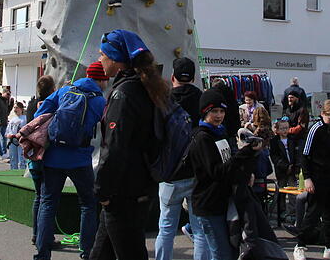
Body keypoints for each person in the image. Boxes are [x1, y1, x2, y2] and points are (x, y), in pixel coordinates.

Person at [91, 30, 168, 260]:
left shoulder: (124, 93)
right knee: (100, 253)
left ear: (115, 58)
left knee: (131, 252)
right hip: (142, 185)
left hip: (123, 191)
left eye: (102, 54)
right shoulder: (148, 88)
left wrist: (102, 190)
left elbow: (114, 147)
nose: (99, 60)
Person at [33, 61, 107, 260]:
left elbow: (38, 115)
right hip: (80, 157)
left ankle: (42, 253)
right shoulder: (99, 100)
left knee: (47, 203)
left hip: (54, 156)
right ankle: (87, 250)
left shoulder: (65, 91)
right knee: (88, 204)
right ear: (101, 80)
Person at [188, 87, 262, 259]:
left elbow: (229, 166)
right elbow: (218, 171)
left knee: (226, 252)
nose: (219, 115)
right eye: (214, 111)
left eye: (222, 111)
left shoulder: (219, 133)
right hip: (208, 204)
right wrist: (244, 153)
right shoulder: (202, 138)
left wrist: (247, 160)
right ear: (205, 112)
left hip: (222, 202)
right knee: (221, 254)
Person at [156, 56, 206, 260]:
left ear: (172, 76)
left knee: (166, 227)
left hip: (169, 172)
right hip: (196, 170)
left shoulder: (163, 100)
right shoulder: (203, 100)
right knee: (200, 228)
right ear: (193, 78)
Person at [294, 99, 330, 260]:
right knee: (312, 214)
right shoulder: (315, 128)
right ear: (323, 114)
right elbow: (305, 156)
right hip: (316, 177)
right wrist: (308, 178)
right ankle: (300, 245)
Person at [27, 74, 56, 245]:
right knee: (47, 198)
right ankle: (45, 237)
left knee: (39, 196)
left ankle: (36, 234)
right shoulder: (50, 105)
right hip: (45, 155)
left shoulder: (32, 105)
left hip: (33, 156)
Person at [269, 119, 299, 224]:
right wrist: (285, 166)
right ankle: (281, 211)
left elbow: (296, 154)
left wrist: (294, 166)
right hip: (281, 170)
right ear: (277, 130)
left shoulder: (293, 139)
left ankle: (292, 213)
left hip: (293, 169)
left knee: (293, 191)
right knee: (281, 191)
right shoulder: (274, 142)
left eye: (286, 128)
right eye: (282, 128)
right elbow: (275, 157)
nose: (285, 130)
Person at [5, 101, 27, 169]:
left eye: (17, 107)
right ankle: (13, 172)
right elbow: (7, 132)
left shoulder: (25, 118)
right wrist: (9, 135)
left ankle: (21, 173)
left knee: (22, 160)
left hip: (21, 141)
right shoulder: (12, 119)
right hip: (12, 141)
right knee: (13, 159)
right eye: (14, 107)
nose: (15, 109)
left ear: (21, 109)